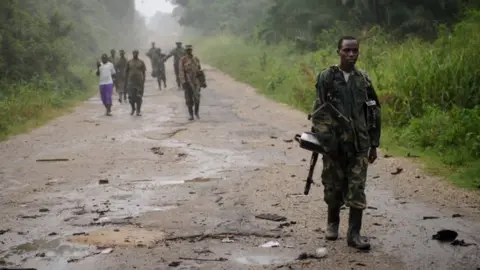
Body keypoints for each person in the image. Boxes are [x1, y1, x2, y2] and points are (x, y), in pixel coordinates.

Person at [310, 36, 381, 250]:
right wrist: (325, 140)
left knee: (357, 188)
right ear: (338, 52)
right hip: (334, 145)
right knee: (333, 186)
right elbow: (318, 112)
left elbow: (374, 112)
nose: (351, 55)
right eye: (346, 50)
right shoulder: (327, 77)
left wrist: (374, 143)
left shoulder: (363, 80)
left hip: (359, 144)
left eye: (355, 51)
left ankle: (354, 234)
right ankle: (332, 223)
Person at [179, 45, 204, 120]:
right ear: (185, 51)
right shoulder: (183, 60)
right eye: (187, 50)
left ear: (191, 50)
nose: (188, 51)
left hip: (196, 82)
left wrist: (202, 81)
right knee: (188, 99)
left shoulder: (196, 59)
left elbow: (199, 71)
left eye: (190, 50)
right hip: (187, 82)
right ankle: (191, 115)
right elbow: (181, 71)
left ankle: (196, 113)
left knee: (197, 98)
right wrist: (183, 82)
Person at [124, 50, 146, 116]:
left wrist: (143, 81)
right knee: (131, 97)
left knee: (139, 97)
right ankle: (133, 109)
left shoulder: (141, 62)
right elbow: (126, 72)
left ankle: (138, 111)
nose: (135, 54)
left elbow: (144, 72)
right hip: (131, 82)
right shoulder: (129, 62)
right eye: (134, 53)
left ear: (138, 54)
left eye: (136, 53)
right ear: (132, 54)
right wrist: (126, 81)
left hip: (139, 82)